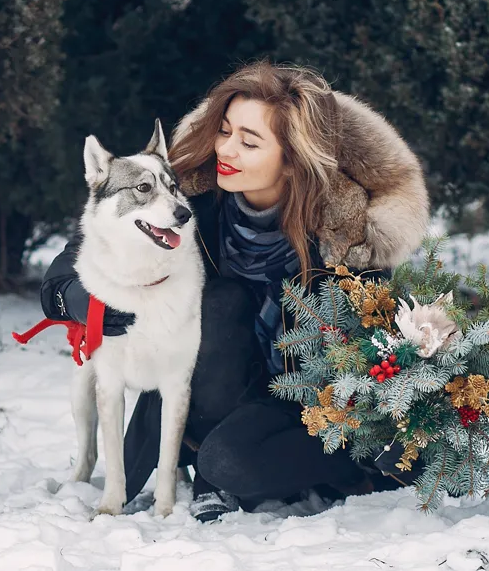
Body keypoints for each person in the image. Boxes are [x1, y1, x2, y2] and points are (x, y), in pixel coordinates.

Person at [40, 61, 429, 521]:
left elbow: (377, 346)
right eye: (224, 131)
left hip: (308, 407)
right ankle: (209, 460)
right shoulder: (191, 203)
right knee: (220, 302)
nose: (226, 149)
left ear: (292, 158)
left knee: (234, 464)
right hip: (220, 391)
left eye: (249, 141)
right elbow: (85, 251)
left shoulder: (348, 234)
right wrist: (75, 294)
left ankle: (340, 471)